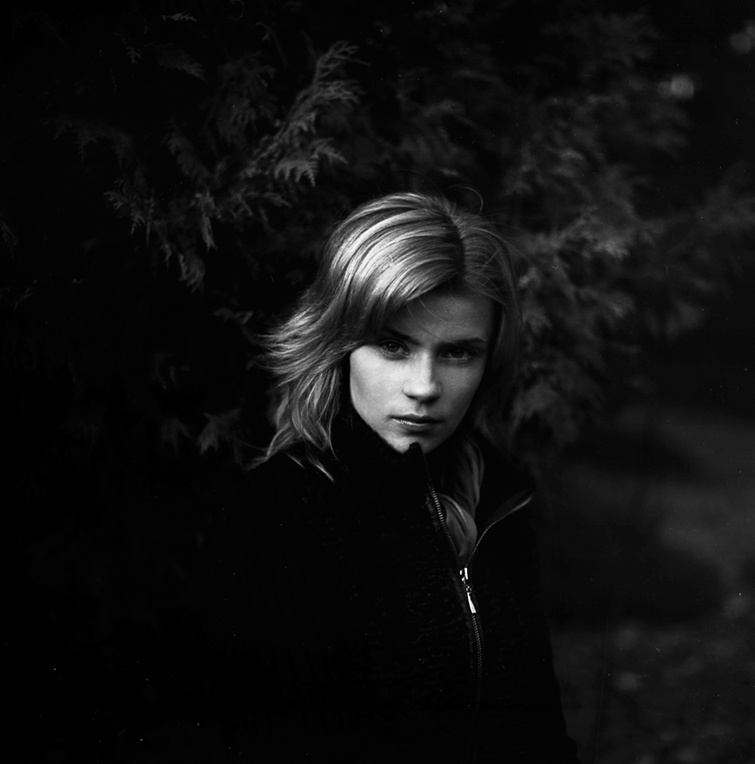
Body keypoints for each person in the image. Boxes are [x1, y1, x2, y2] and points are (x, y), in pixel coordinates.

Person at [207, 192, 581, 763]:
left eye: (458, 353)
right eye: (392, 345)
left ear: (490, 361)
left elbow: (542, 738)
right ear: (337, 344)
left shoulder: (499, 502)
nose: (424, 387)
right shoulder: (276, 518)